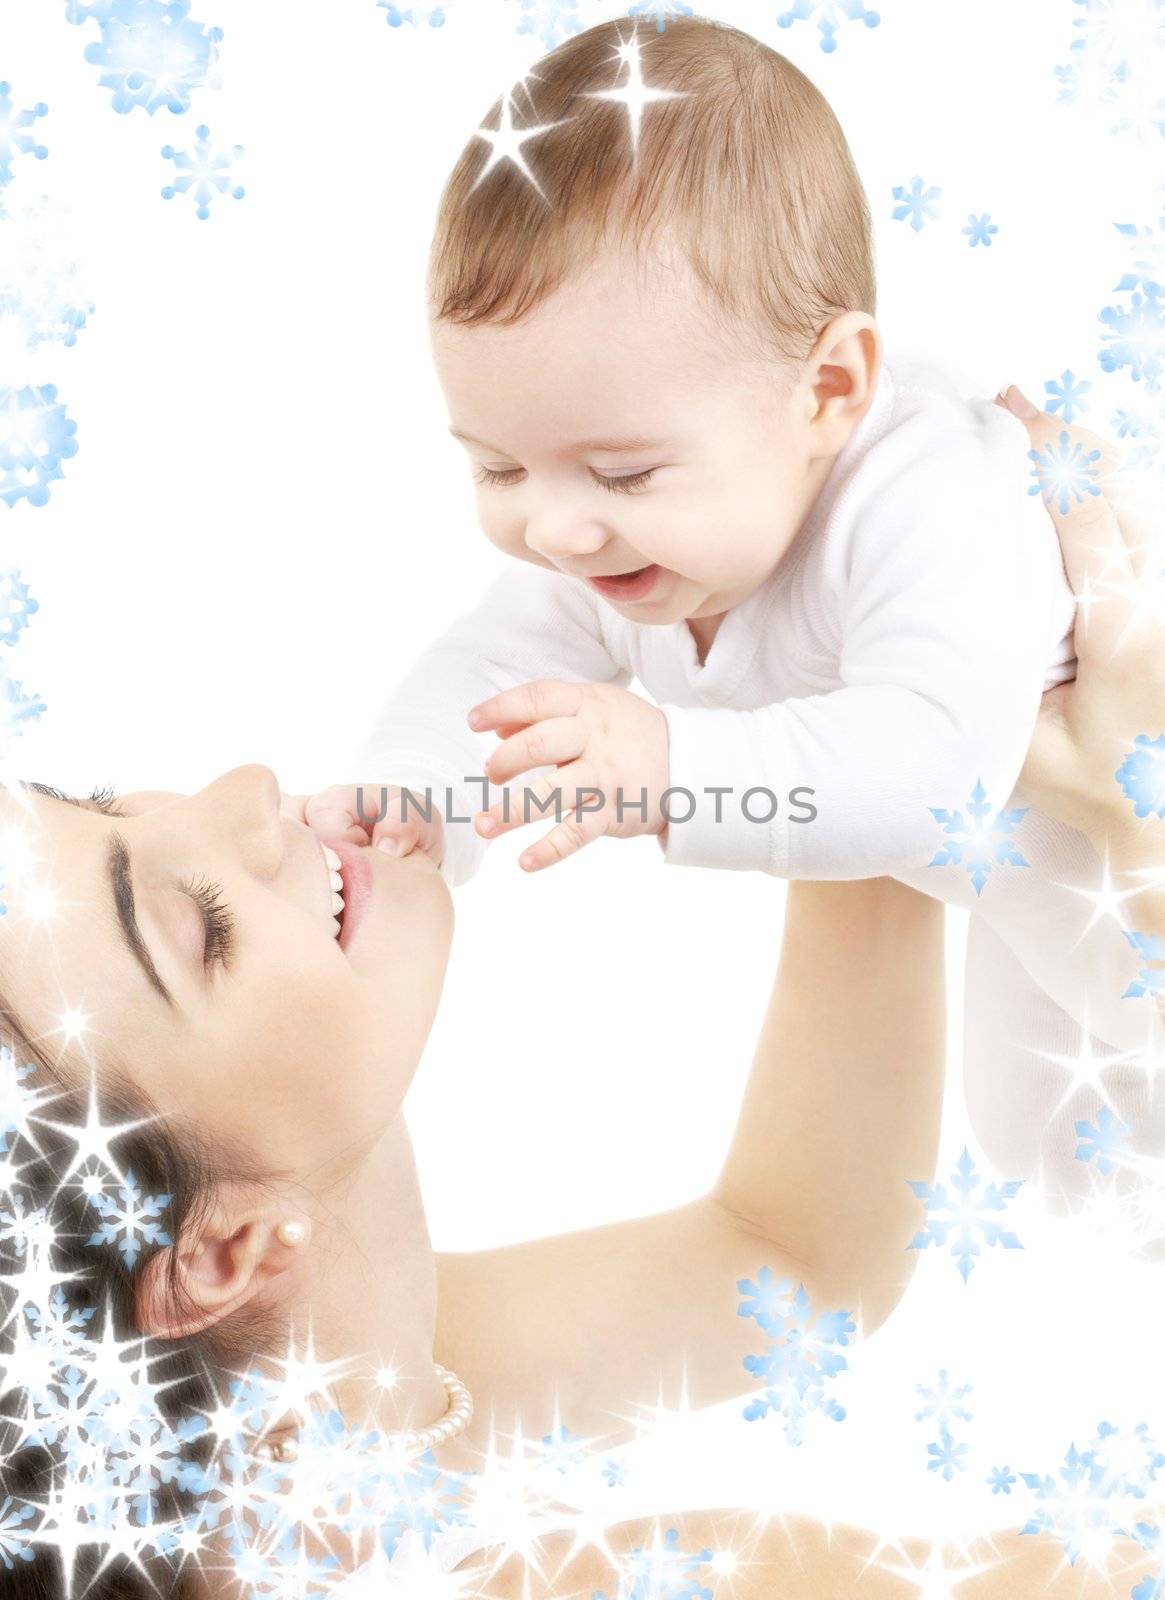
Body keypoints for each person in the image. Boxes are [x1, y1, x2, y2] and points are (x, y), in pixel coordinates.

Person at [0, 401, 1159, 1597]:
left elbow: (793, 1259)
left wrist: (839, 718)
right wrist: (1138, 815)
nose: (239, 789)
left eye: (104, 803)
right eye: (200, 931)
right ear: (222, 1249)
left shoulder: (316, 1434)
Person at [299, 16, 1159, 1208]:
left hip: (1125, 828)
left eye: (624, 473)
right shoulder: (641, 533)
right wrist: (408, 801)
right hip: (1058, 884)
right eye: (498, 469)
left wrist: (671, 767)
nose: (555, 529)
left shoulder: (925, 502)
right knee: (1055, 1153)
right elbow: (497, 659)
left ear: (830, 390)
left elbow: (935, 770)